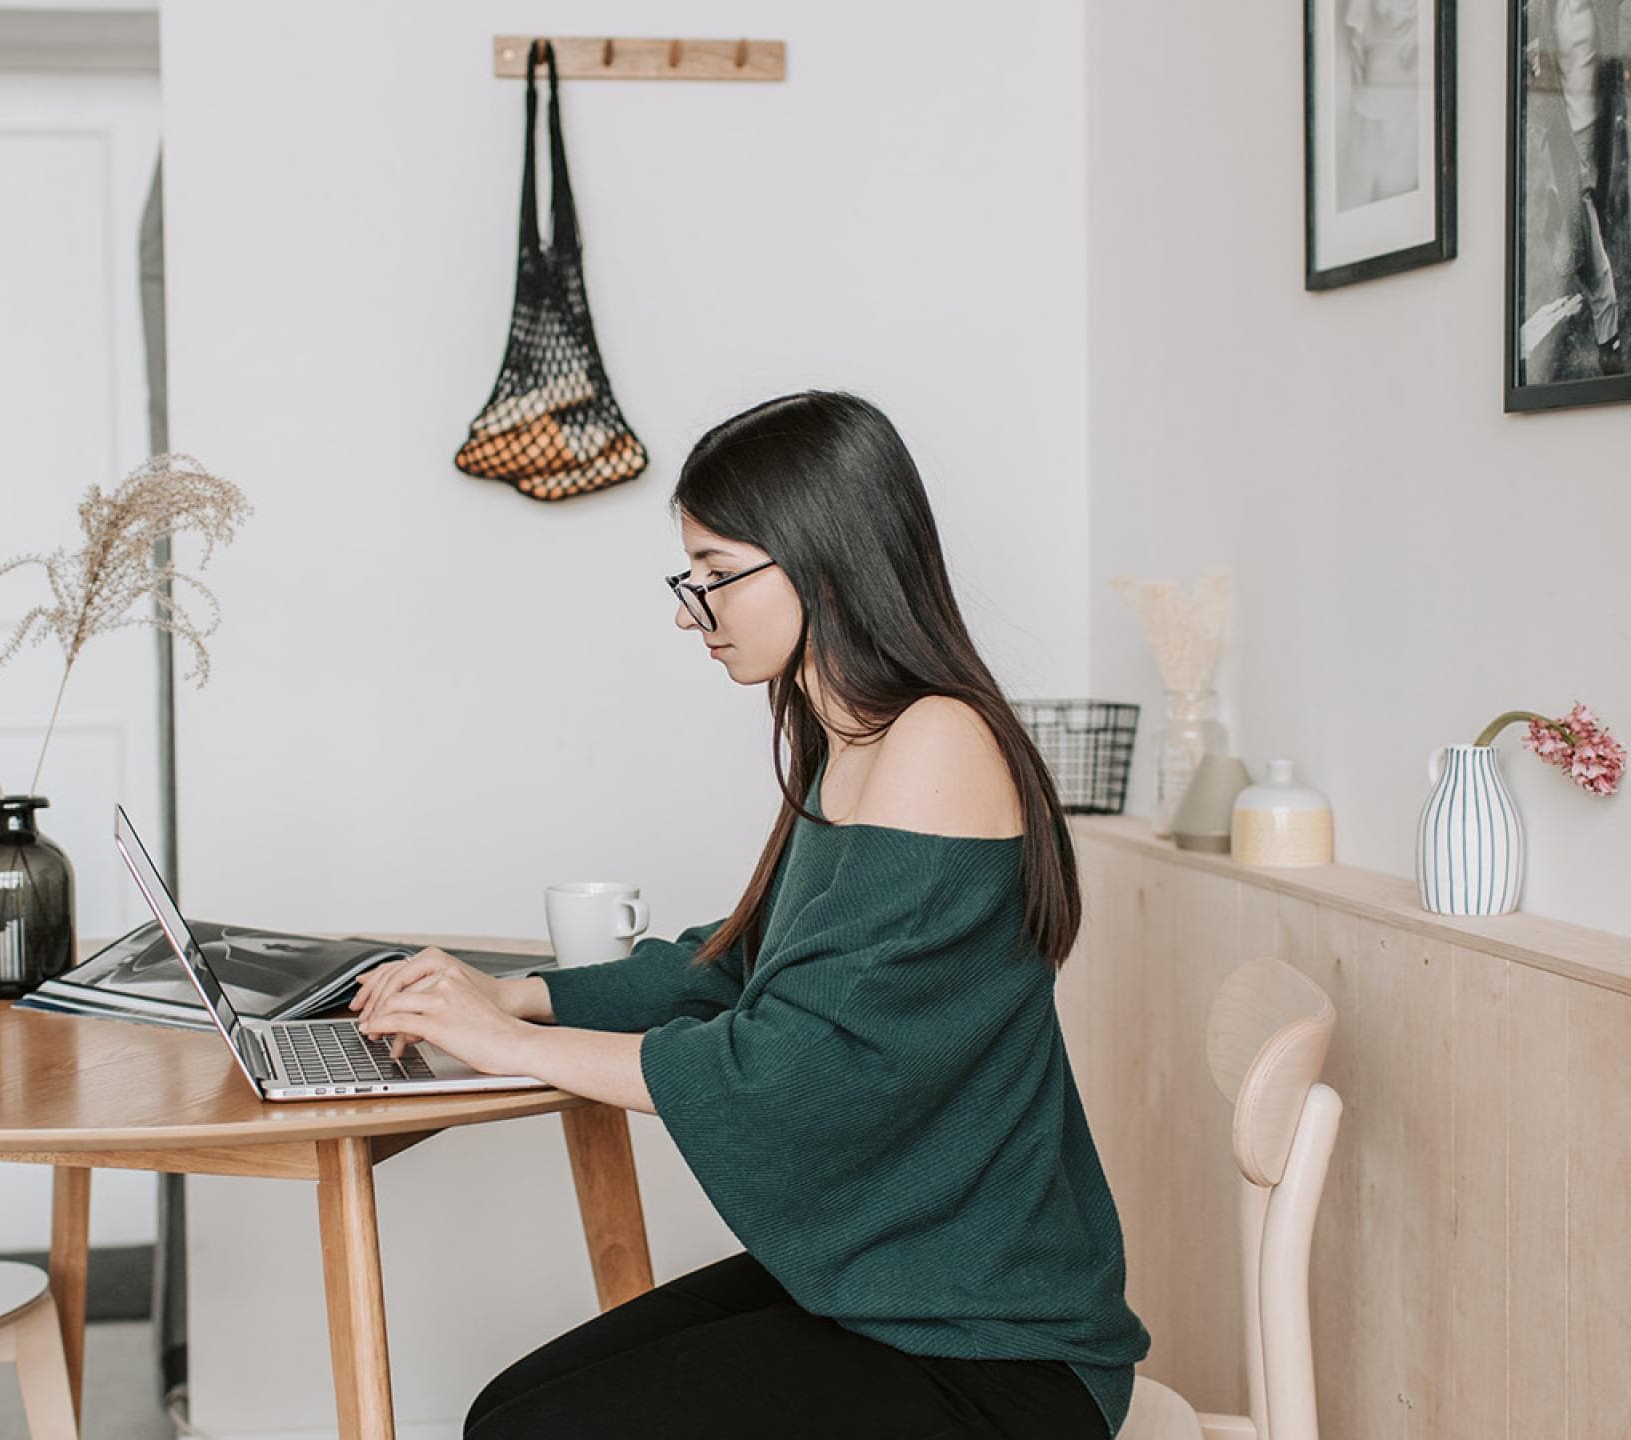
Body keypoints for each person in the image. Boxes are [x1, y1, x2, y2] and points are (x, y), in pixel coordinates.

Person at [352, 391, 1151, 1439]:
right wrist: (517, 993)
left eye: (720, 576)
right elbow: (737, 969)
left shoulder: (937, 743)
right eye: (693, 578)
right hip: (888, 1289)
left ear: (824, 558)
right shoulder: (852, 741)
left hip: (1000, 1351)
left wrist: (507, 1046)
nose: (694, 611)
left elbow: (787, 1073)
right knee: (507, 1411)